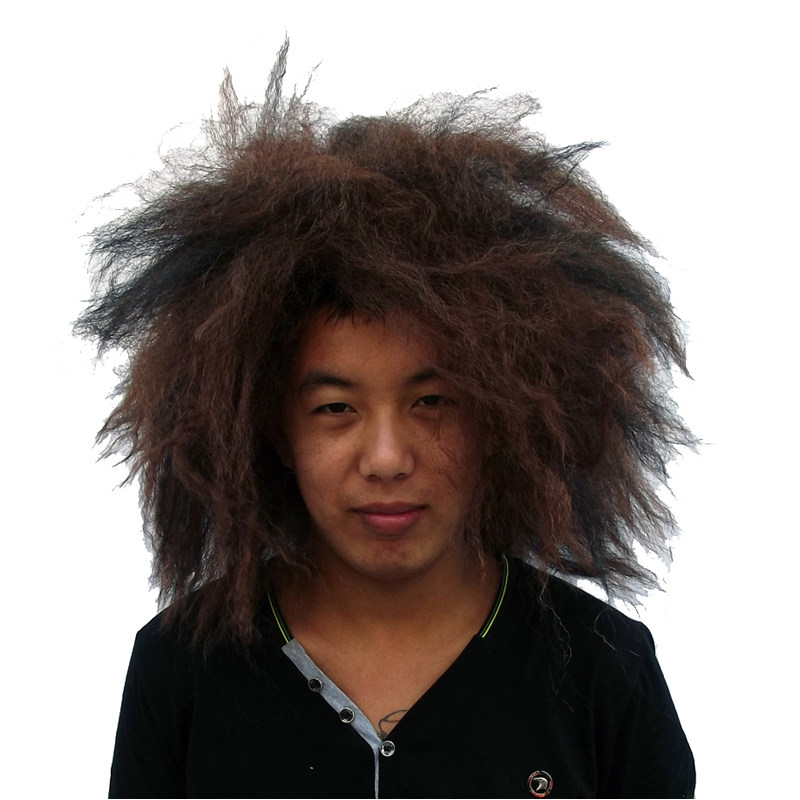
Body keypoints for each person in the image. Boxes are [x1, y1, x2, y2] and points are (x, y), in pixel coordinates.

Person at [77, 43, 696, 798]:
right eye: (335, 408)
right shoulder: (183, 668)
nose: (386, 457)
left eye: (432, 402)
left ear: (503, 413)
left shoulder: (602, 670)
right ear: (271, 429)